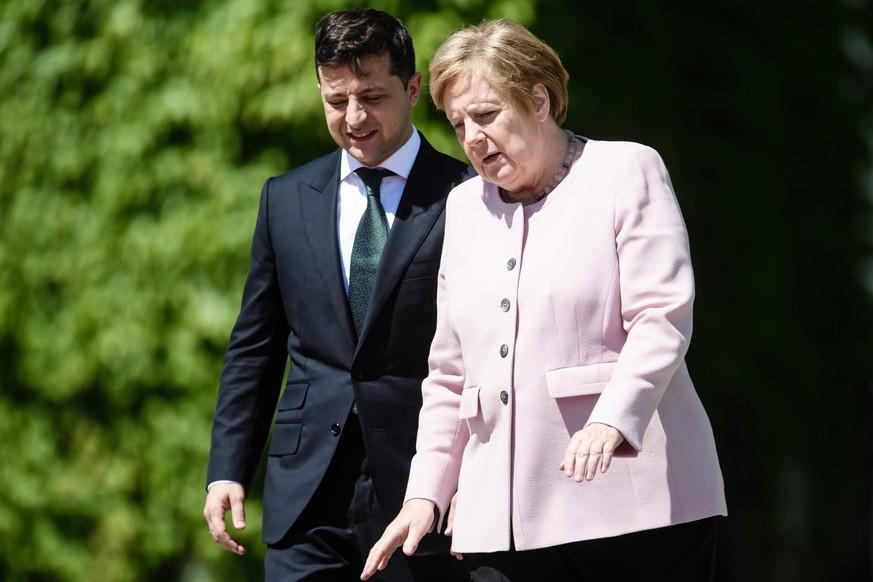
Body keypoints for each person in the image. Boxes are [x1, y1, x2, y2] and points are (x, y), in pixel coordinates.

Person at [362, 19, 728, 582]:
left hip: (636, 508)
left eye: (486, 115)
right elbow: (450, 374)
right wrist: (425, 495)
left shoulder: (625, 169)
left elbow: (662, 317)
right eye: (459, 125)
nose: (473, 138)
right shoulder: (461, 208)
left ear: (539, 99)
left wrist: (612, 420)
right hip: (500, 520)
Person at [203, 8, 474, 581]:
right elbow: (256, 344)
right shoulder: (285, 198)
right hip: (305, 495)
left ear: (414, 88)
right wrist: (227, 468)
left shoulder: (469, 196)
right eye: (335, 100)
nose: (354, 117)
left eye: (373, 96)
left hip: (423, 490)